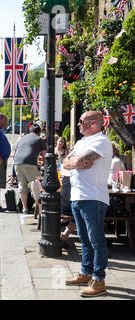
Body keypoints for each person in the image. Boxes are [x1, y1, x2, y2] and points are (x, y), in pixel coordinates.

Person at [63, 111, 112, 297]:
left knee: (96, 241)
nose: (78, 124)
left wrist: (77, 161)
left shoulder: (102, 141)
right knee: (84, 239)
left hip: (93, 197)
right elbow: (66, 162)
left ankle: (99, 281)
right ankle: (86, 273)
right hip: (78, 196)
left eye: (81, 121)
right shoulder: (81, 142)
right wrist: (76, 162)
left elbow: (81, 160)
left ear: (93, 123)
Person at [13, 124, 47, 214]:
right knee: (38, 186)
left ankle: (25, 208)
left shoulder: (22, 138)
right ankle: (40, 208)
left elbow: (15, 152)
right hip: (29, 163)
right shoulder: (39, 140)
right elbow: (45, 156)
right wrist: (45, 166)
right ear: (39, 132)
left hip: (17, 162)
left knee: (22, 186)